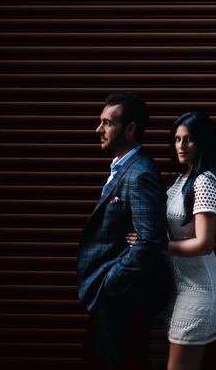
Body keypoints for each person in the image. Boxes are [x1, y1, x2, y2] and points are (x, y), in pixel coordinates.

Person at [129, 111, 216, 370]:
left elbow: (204, 244)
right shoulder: (182, 179)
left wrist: (155, 246)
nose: (181, 145)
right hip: (181, 286)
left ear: (203, 141)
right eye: (177, 139)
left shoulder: (204, 181)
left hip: (201, 288)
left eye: (189, 139)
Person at [77, 92, 169, 369]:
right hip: (114, 296)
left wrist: (112, 283)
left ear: (130, 129)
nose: (99, 129)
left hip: (126, 297)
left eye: (107, 123)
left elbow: (149, 240)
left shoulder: (140, 174)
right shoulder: (123, 167)